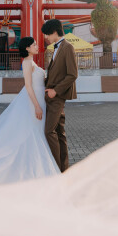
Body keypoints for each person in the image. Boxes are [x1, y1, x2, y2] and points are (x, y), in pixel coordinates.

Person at [41, 19, 78, 172]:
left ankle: (55, 168)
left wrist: (55, 91)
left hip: (57, 96)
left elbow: (72, 74)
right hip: (53, 95)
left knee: (49, 131)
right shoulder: (56, 48)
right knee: (59, 133)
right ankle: (63, 169)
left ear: (55, 32)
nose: (46, 38)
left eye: (47, 34)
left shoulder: (68, 47)